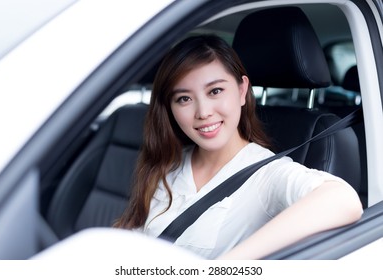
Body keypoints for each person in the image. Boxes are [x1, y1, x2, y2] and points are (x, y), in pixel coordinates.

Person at [114, 35, 363, 259]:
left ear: (242, 90)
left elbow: (343, 200)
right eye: (184, 99)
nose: (203, 112)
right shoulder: (168, 162)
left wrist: (226, 267)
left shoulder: (265, 175)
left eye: (215, 91)